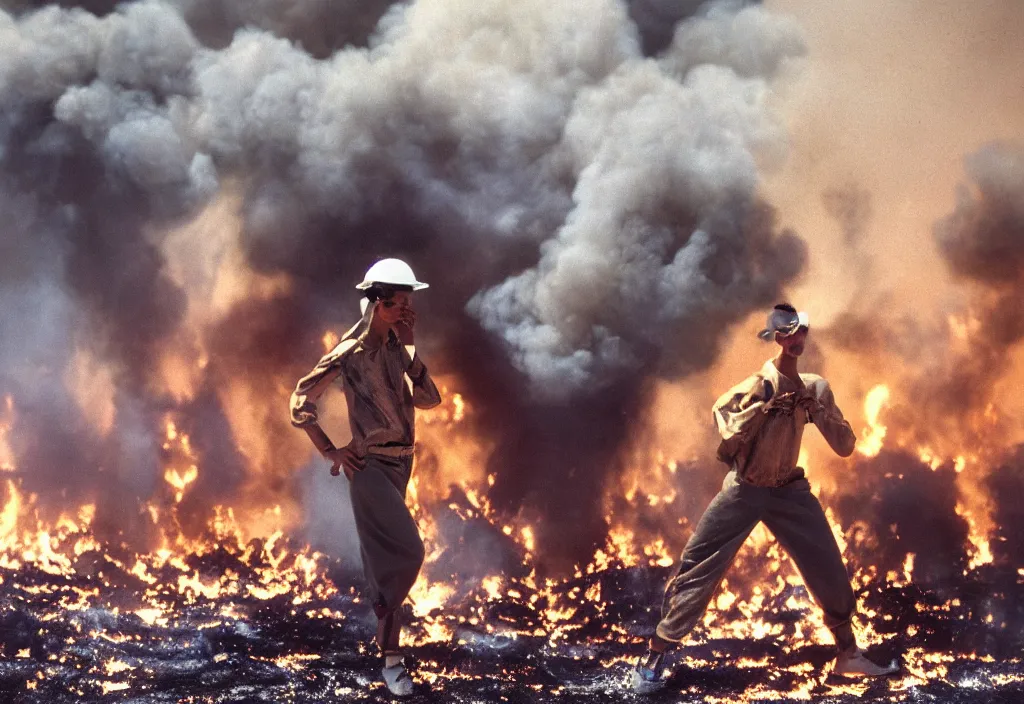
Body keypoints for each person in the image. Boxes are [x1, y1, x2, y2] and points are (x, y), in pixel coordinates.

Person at [631, 303, 899, 693]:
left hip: (790, 491)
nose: (796, 340)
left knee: (828, 565)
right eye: (787, 334)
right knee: (698, 567)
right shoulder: (756, 385)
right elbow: (725, 430)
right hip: (746, 490)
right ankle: (654, 656)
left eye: (800, 332)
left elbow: (845, 446)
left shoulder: (815, 386)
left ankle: (848, 655)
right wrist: (761, 408)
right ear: (775, 339)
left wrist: (816, 409)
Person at [290, 258, 442, 697]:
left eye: (409, 304)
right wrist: (329, 450)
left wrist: (411, 348)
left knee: (387, 559)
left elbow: (430, 400)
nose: (406, 312)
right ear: (376, 303)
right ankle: (386, 637)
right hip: (370, 467)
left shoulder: (398, 347)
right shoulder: (348, 353)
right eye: (398, 304)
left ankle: (391, 656)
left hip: (402, 466)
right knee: (407, 553)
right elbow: (300, 400)